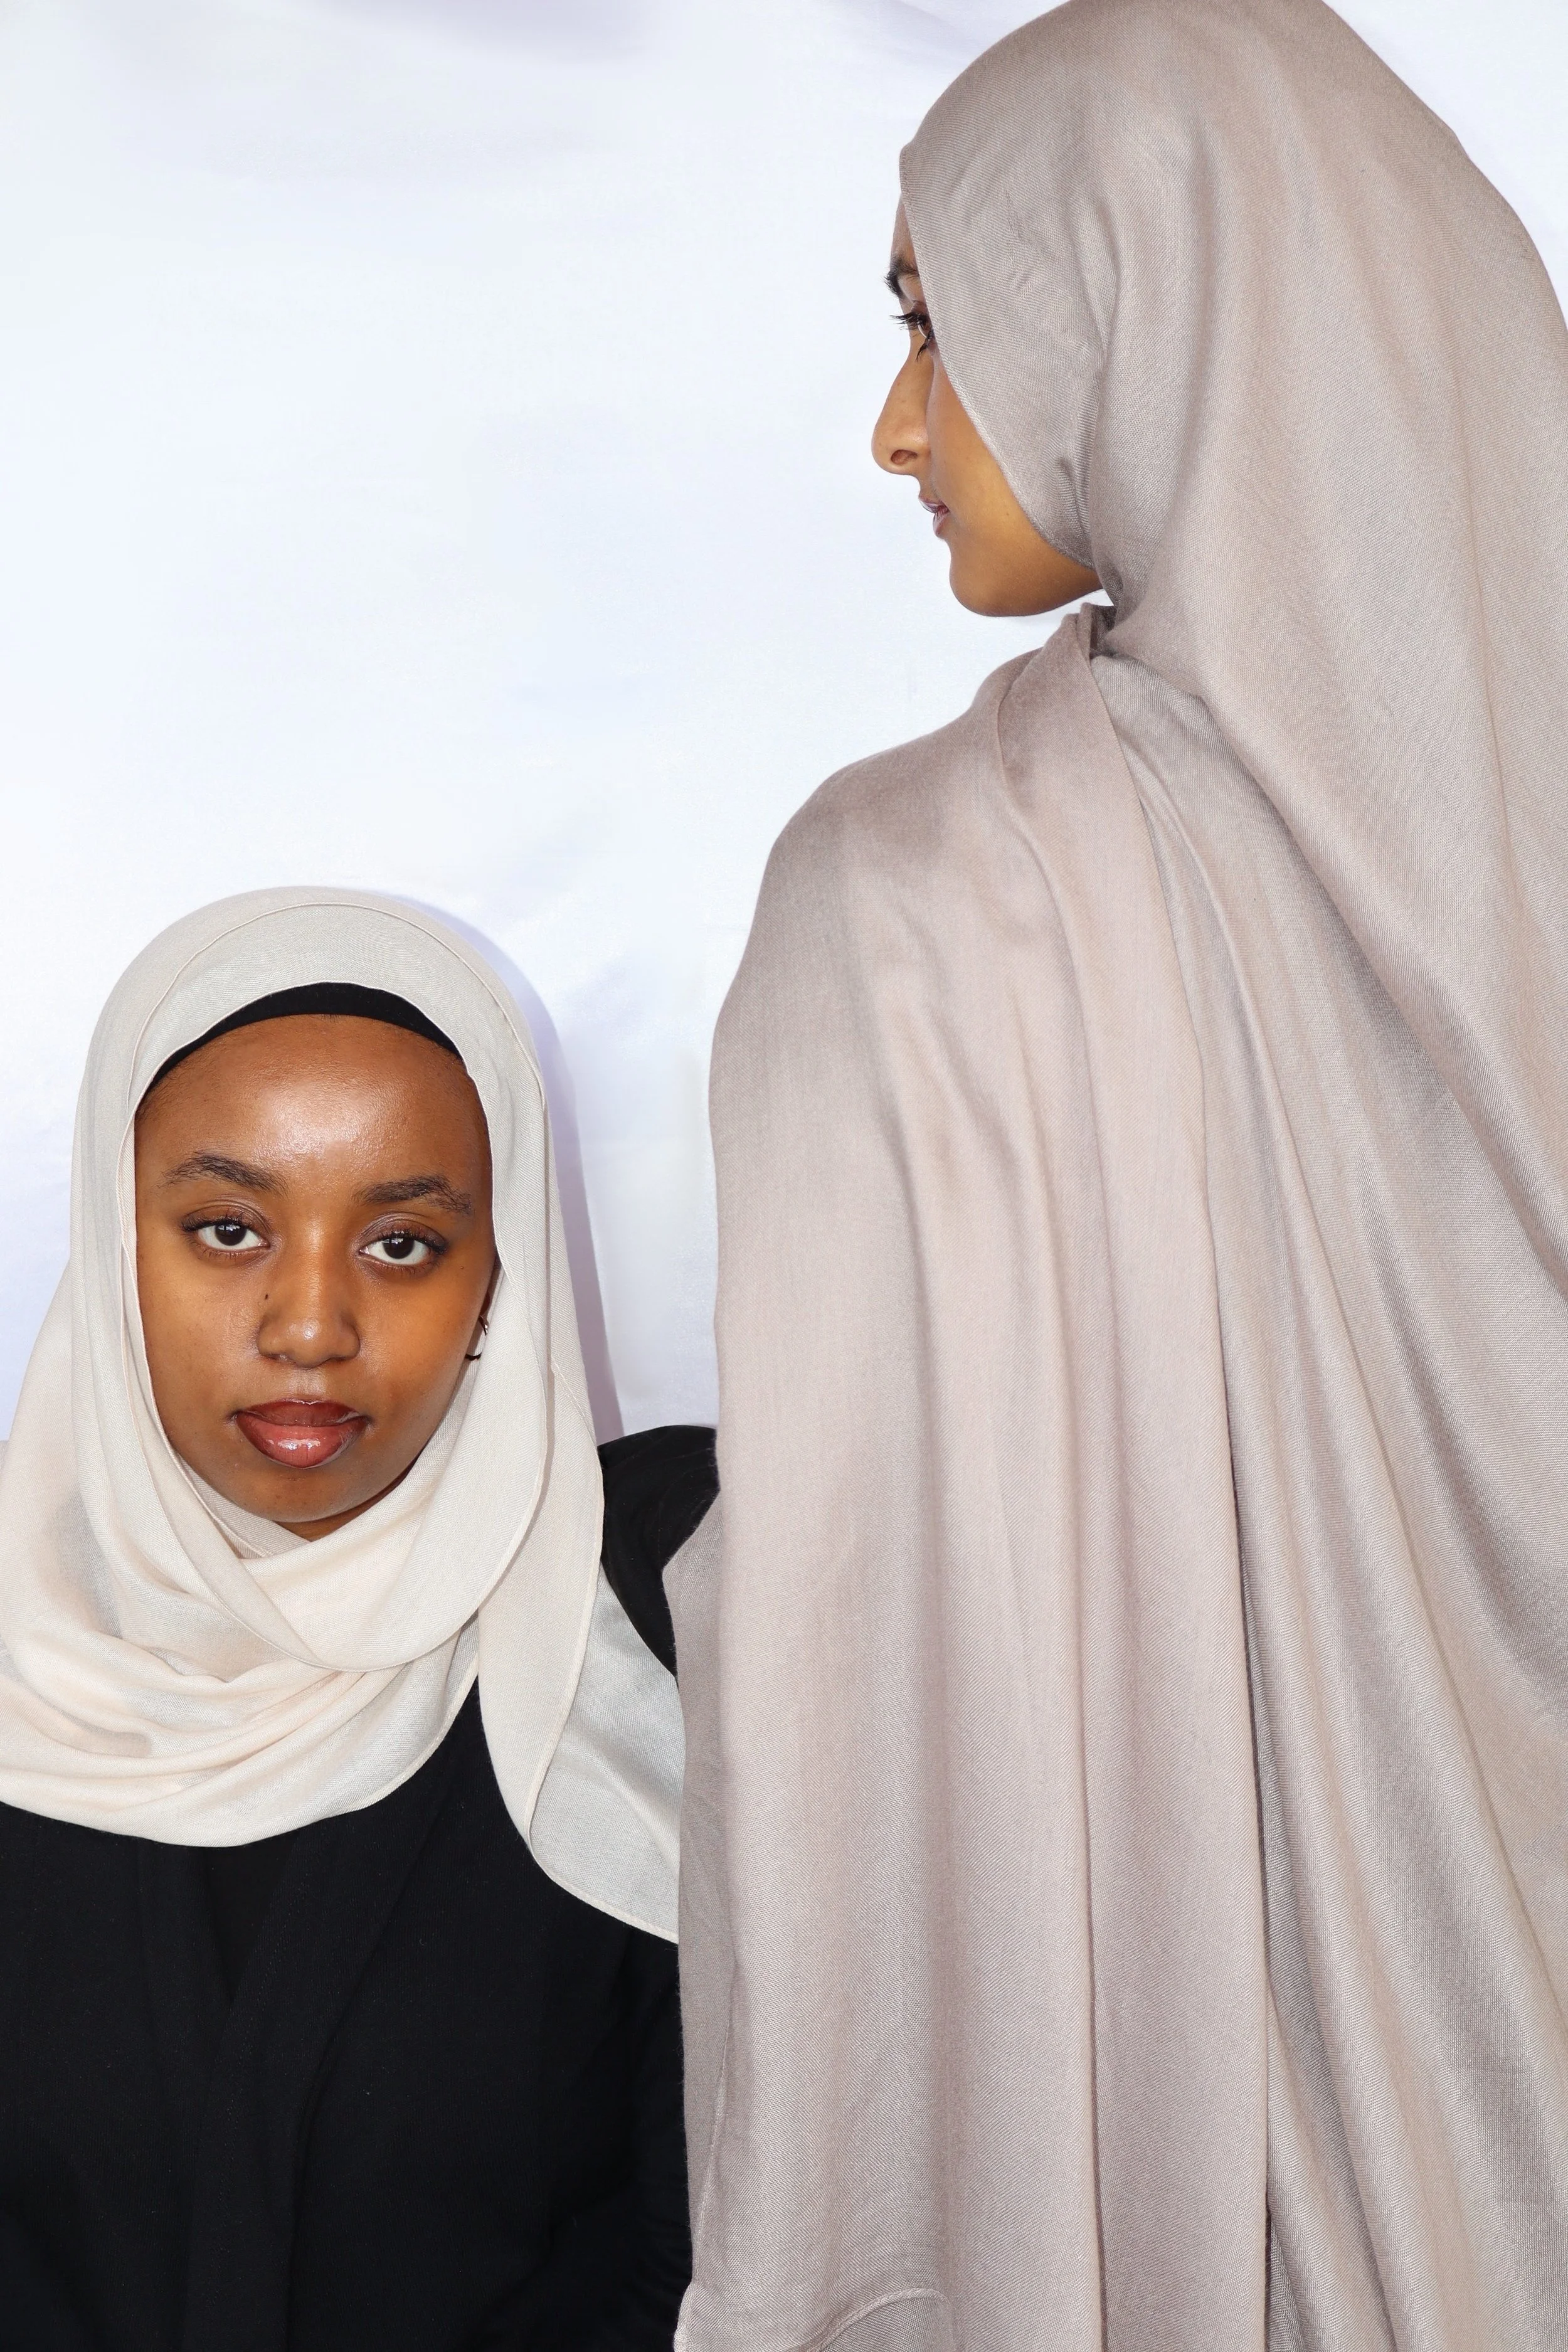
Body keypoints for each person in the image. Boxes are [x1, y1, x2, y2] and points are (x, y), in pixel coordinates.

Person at [671, 2, 1568, 2347]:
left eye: (934, 325)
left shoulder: (913, 908)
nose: (895, 429)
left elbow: (853, 1693)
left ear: (1143, 310)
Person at [0, 887, 716, 2351]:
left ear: (493, 1284)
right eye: (224, 1228)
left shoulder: (652, 1634)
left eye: (402, 1244)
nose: (311, 1323)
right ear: (108, 1240)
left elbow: (710, 2263)